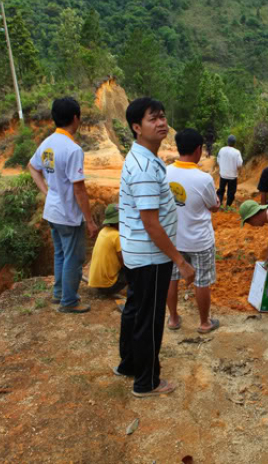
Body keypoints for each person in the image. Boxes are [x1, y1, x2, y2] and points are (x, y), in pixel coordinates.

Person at [115, 97, 196, 398]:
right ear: (137, 127)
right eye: (153, 119)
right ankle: (146, 381)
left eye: (163, 117)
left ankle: (128, 365)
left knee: (135, 309)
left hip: (140, 253)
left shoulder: (142, 157)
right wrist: (180, 261)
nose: (161, 123)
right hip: (151, 255)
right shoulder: (145, 167)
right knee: (149, 319)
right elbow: (151, 224)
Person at [28, 97, 98, 314]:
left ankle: (59, 293)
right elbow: (79, 189)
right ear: (76, 118)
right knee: (74, 257)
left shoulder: (47, 143)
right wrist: (89, 220)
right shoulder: (73, 149)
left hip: (52, 211)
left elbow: (32, 167)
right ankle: (69, 301)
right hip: (68, 213)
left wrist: (46, 191)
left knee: (60, 253)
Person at [166, 128, 221, 334]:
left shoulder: (165, 172)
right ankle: (204, 322)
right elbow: (213, 205)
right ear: (198, 150)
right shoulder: (203, 179)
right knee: (202, 280)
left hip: (172, 240)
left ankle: (172, 318)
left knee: (171, 278)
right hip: (199, 240)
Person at [88, 203, 127, 297]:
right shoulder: (117, 236)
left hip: (96, 283)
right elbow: (124, 262)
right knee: (134, 267)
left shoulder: (104, 231)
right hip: (109, 286)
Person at [216, 134, 243, 207]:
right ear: (234, 143)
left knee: (221, 190)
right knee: (231, 192)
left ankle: (219, 204)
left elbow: (218, 160)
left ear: (227, 142)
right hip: (233, 176)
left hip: (223, 175)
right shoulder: (237, 152)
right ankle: (228, 206)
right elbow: (240, 164)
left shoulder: (222, 150)